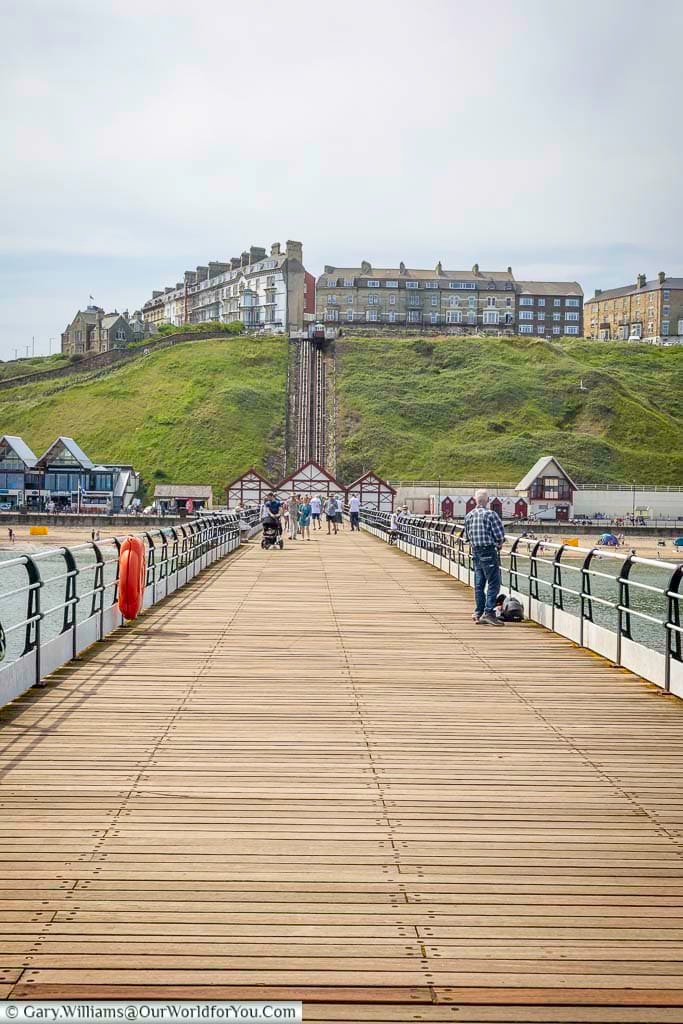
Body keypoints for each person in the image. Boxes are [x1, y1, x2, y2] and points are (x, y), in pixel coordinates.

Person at [464, 489, 506, 626]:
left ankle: (478, 612)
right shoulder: (490, 515)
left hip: (475, 551)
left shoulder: (469, 515)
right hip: (488, 551)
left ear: (475, 500)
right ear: (487, 501)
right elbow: (499, 535)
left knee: (479, 584)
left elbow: (467, 537)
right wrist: (499, 543)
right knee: (494, 583)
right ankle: (489, 613)